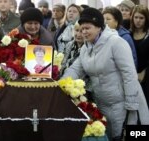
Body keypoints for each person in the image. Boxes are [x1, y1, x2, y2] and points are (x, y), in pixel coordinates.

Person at [62, 8, 149, 141]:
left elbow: (129, 74)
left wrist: (132, 104)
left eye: (87, 28)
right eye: (81, 28)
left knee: (121, 136)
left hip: (121, 104)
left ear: (99, 27)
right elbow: (75, 69)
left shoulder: (116, 43)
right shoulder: (86, 48)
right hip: (101, 103)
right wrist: (61, 85)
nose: (84, 32)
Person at [130, 5, 149, 107]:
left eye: (141, 18)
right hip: (130, 74)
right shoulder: (128, 34)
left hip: (145, 76)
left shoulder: (148, 35)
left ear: (146, 19)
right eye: (136, 17)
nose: (138, 20)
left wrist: (144, 72)